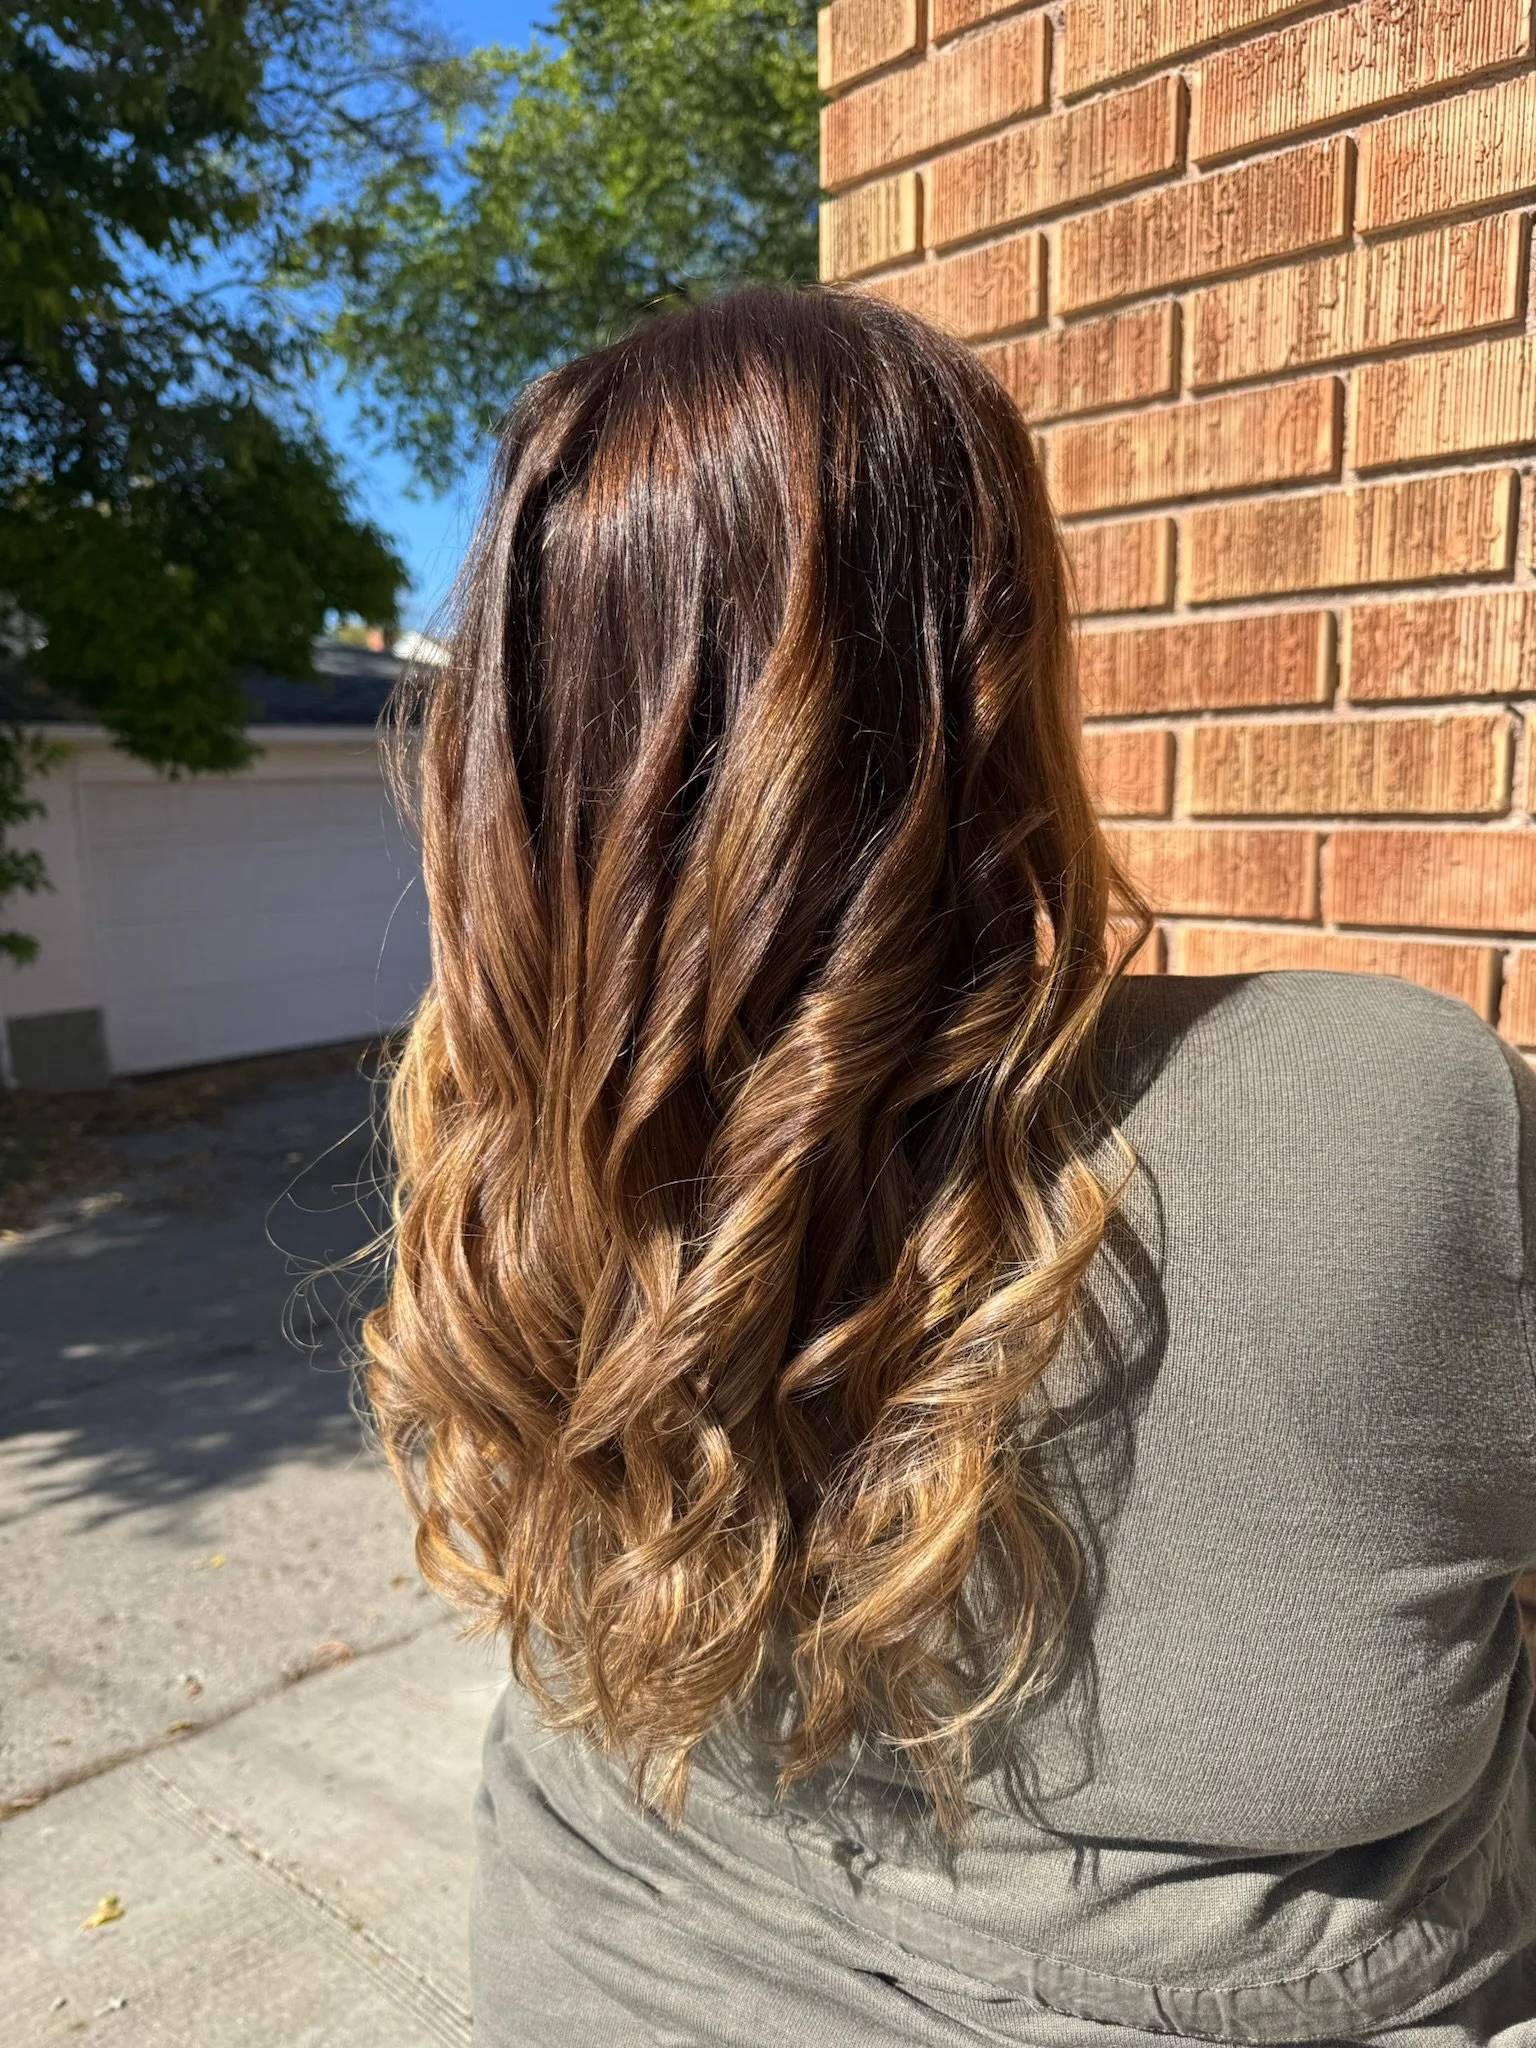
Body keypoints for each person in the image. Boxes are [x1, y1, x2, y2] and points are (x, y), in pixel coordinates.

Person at [363, 285, 1536, 2046]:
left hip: (588, 1958)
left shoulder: (504, 1158)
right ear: (998, 661)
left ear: (521, 750)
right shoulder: (1380, 1110)